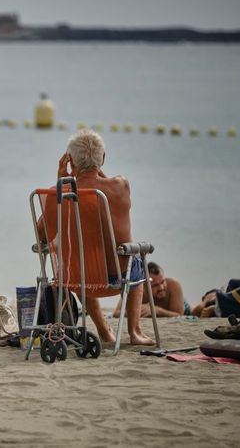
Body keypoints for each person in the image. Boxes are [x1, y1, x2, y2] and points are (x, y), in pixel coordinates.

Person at [38, 129, 154, 346]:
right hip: (118, 278)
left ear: (70, 160)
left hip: (76, 280)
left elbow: (42, 235)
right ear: (103, 159)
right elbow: (103, 180)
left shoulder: (58, 194)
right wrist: (95, 168)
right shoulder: (120, 186)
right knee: (135, 259)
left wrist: (62, 181)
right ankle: (135, 331)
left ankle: (103, 330)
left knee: (82, 256)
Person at [112, 261, 189, 318]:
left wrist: (157, 310)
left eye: (163, 282)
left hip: (184, 306)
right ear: (144, 286)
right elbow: (117, 313)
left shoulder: (173, 285)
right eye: (155, 285)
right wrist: (135, 311)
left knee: (197, 310)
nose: (161, 288)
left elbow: (180, 315)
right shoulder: (136, 289)